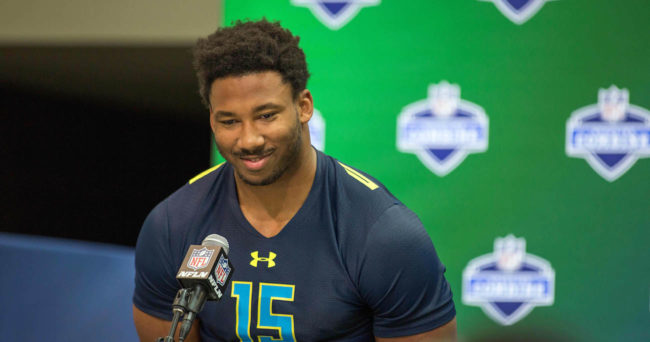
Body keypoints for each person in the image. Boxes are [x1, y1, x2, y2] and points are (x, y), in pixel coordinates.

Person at [133, 19, 456, 342]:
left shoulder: (384, 234)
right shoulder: (171, 225)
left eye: (266, 115)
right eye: (229, 121)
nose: (249, 140)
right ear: (212, 120)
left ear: (303, 107)